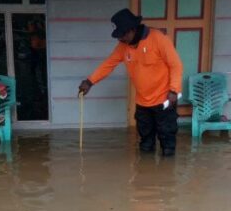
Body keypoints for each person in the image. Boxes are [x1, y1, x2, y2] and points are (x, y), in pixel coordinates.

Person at [78, 9, 183, 156]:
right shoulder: (123, 47)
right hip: (143, 103)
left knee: (168, 145)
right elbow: (108, 64)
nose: (120, 39)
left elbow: (176, 64)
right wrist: (89, 82)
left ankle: (167, 176)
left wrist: (174, 90)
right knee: (145, 145)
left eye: (122, 35)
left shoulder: (158, 39)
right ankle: (145, 176)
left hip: (164, 100)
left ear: (132, 30)